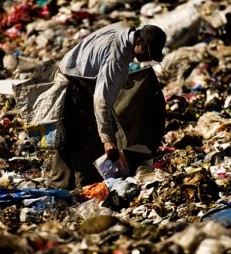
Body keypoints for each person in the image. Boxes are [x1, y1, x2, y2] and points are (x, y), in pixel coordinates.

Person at [47, 21, 167, 190]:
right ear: (138, 42)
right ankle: (85, 190)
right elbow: (101, 100)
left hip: (70, 75)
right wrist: (108, 140)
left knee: (70, 138)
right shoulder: (116, 60)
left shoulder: (124, 29)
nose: (149, 58)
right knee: (88, 142)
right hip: (77, 84)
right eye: (148, 52)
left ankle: (59, 188)